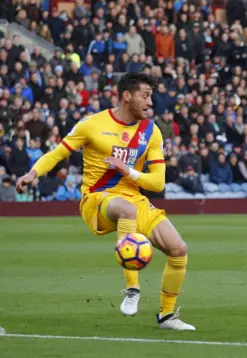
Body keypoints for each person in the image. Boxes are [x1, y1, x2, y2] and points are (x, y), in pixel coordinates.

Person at [16, 72, 195, 331]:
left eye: (151, 97)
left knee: (179, 249)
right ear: (126, 96)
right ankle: (132, 289)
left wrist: (128, 171)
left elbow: (157, 183)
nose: (150, 102)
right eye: (145, 96)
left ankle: (167, 316)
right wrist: (33, 173)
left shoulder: (151, 132)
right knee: (126, 208)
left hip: (134, 197)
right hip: (97, 199)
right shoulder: (92, 124)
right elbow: (58, 153)